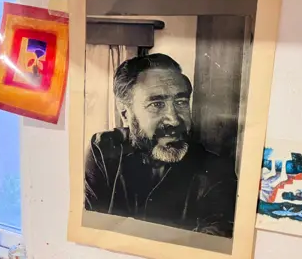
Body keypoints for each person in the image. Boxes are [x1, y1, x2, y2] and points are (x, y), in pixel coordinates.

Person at [84, 53, 237, 238]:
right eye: (156, 104)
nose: (173, 120)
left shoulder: (216, 170)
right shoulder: (104, 149)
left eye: (181, 102)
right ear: (125, 112)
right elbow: (90, 230)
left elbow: (213, 244)